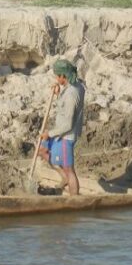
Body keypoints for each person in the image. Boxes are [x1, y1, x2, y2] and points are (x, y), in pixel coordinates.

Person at [39, 59, 85, 196]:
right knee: (42, 151)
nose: (56, 78)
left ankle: (74, 199)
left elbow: (68, 124)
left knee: (69, 169)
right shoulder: (75, 86)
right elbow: (64, 108)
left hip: (65, 135)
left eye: (57, 76)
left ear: (63, 76)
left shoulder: (72, 94)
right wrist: (59, 94)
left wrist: (50, 134)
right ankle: (63, 178)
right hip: (59, 131)